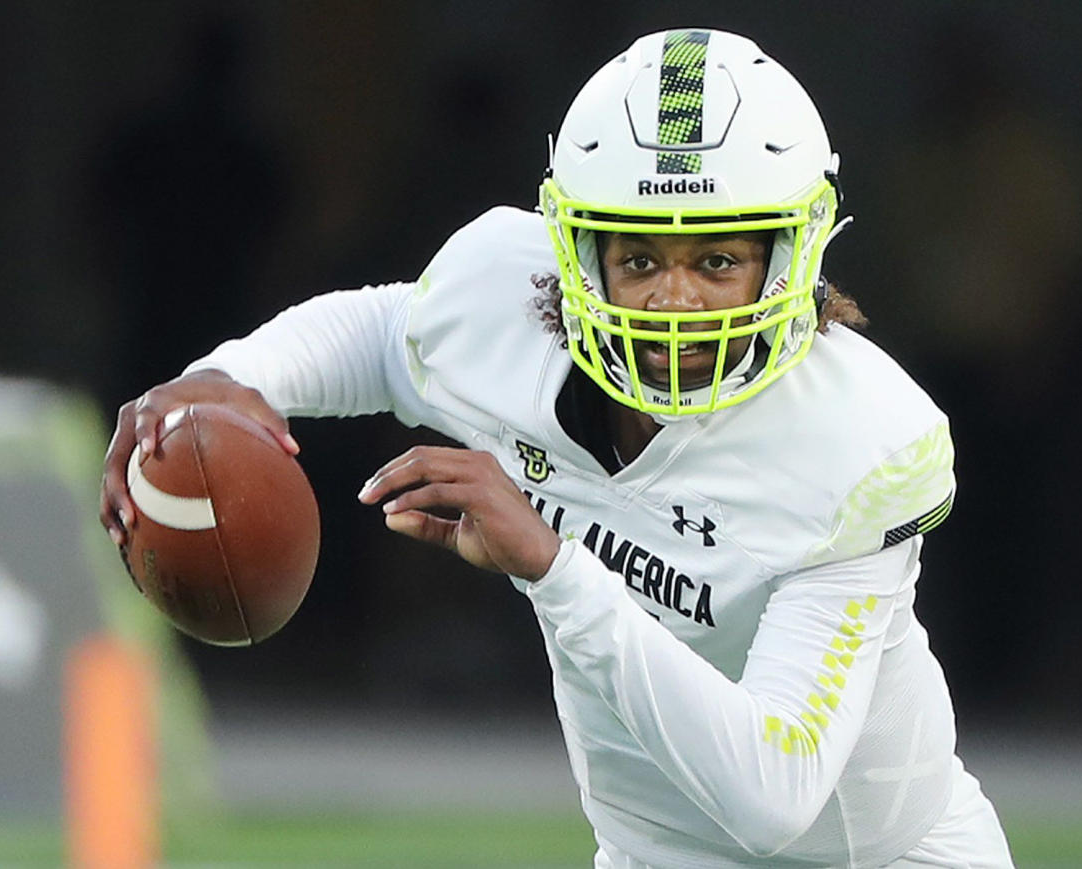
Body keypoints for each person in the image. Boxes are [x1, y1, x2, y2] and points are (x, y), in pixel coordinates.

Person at [100, 28, 1014, 868]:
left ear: (791, 257)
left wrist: (553, 564)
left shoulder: (858, 441)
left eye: (719, 261)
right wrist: (231, 379)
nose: (674, 298)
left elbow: (773, 790)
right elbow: (387, 332)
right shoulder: (511, 306)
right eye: (642, 259)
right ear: (579, 257)